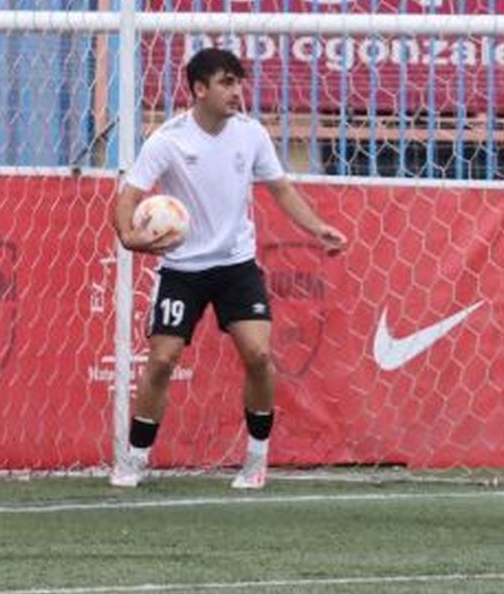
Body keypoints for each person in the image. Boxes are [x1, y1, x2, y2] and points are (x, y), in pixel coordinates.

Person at [109, 48, 347, 491]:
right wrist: (129, 235)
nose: (237, 92)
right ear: (200, 90)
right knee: (162, 360)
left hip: (236, 263)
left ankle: (256, 459)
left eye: (238, 82)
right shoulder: (168, 140)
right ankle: (135, 458)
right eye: (226, 83)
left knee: (258, 355)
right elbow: (130, 194)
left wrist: (318, 229)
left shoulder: (250, 134)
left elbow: (281, 188)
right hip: (181, 268)